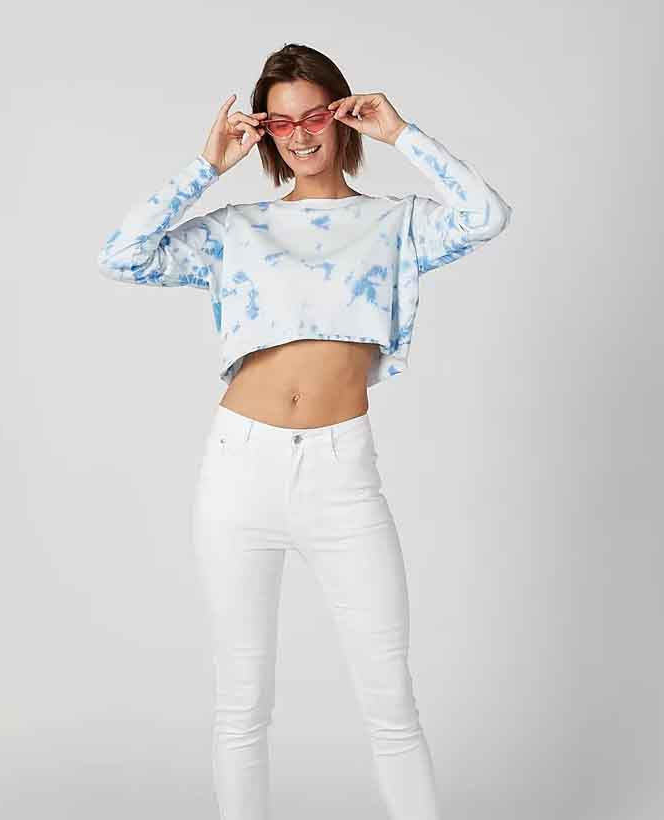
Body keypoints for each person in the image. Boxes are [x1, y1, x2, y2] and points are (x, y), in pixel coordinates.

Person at [97, 42, 511, 820]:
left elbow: (485, 216)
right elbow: (122, 255)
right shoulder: (238, 227)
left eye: (314, 116)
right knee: (242, 704)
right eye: (281, 122)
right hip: (239, 469)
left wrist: (402, 134)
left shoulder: (395, 224)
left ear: (342, 116)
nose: (300, 135)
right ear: (265, 133)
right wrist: (206, 166)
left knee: (391, 703)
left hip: (341, 475)